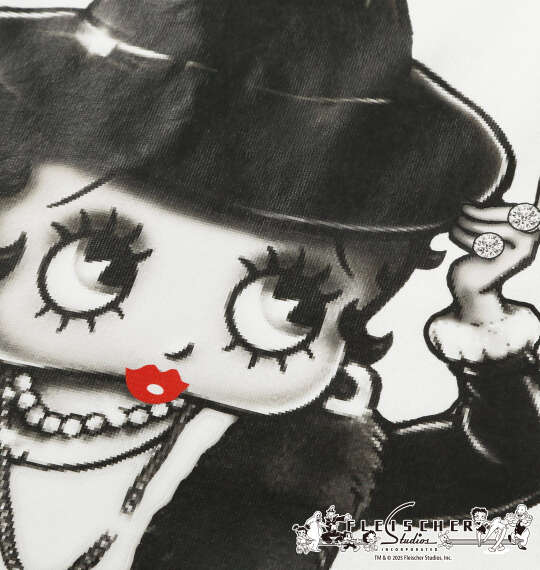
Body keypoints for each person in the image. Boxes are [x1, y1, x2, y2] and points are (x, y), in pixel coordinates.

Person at [0, 1, 540, 569]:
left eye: (289, 303)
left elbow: (497, 475)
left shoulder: (305, 468)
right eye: (101, 264)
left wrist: (484, 317)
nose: (175, 343)